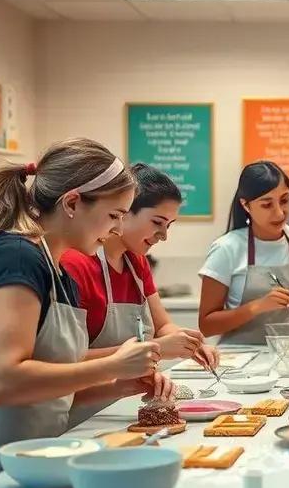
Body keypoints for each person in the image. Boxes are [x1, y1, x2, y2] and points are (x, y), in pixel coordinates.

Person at [0, 139, 168, 488]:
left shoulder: (59, 273)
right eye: (114, 215)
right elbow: (4, 382)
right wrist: (109, 365)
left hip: (33, 458)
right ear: (72, 203)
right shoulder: (16, 257)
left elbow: (55, 383)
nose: (118, 227)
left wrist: (120, 385)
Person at [61, 164, 219, 424]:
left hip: (122, 405)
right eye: (157, 222)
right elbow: (63, 361)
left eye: (169, 225)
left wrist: (187, 342)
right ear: (123, 212)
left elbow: (163, 325)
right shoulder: (76, 264)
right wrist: (155, 348)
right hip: (81, 415)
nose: (164, 236)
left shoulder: (136, 262)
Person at [198, 161, 289, 345]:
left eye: (285, 200)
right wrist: (257, 306)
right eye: (267, 205)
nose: (279, 213)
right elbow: (207, 326)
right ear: (246, 205)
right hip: (242, 361)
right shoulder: (226, 249)